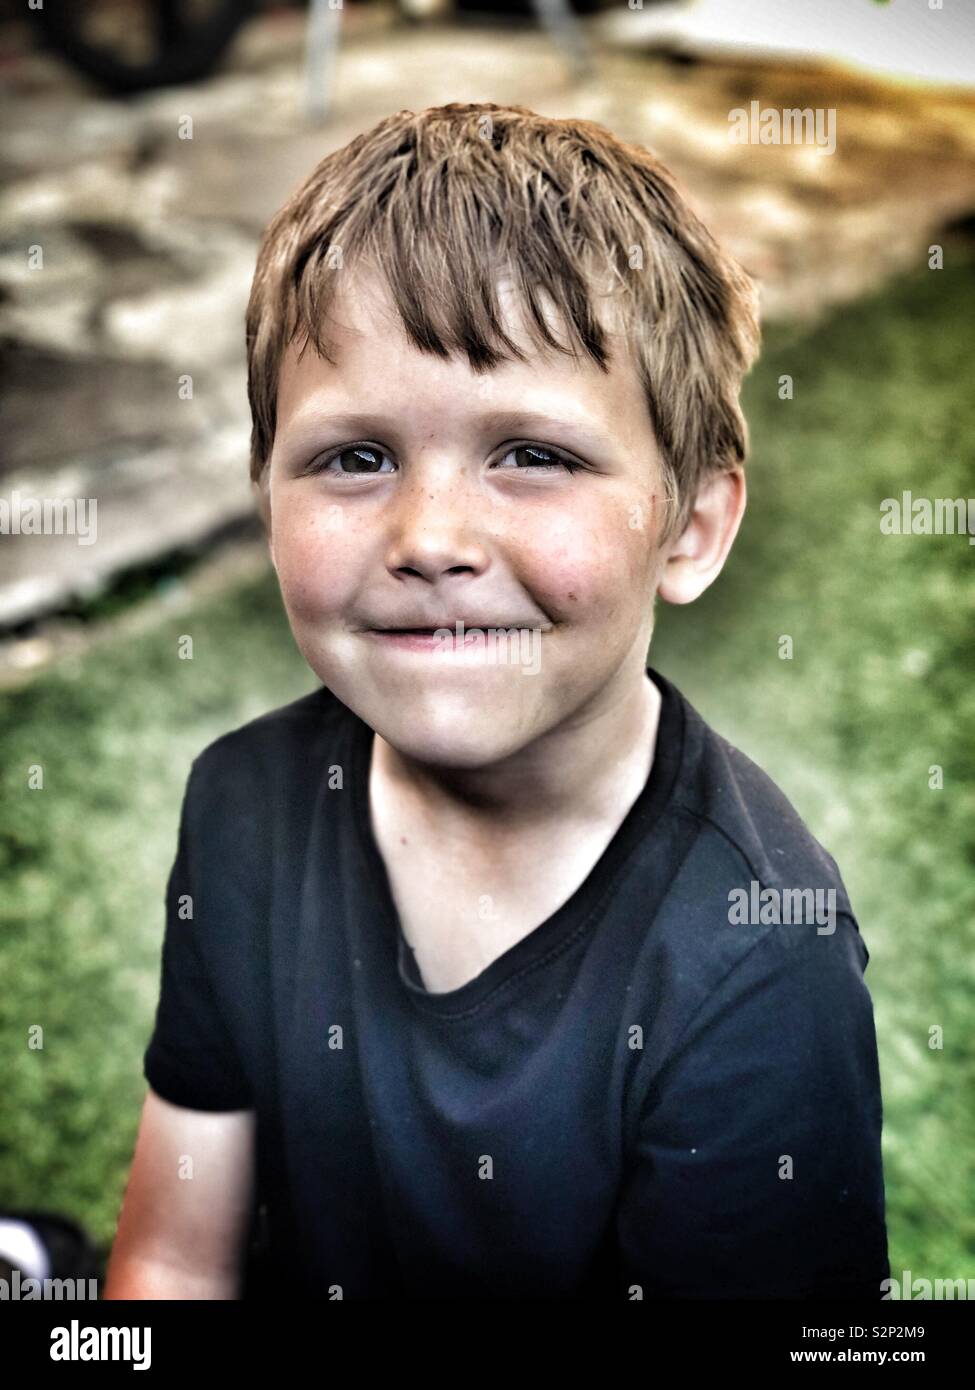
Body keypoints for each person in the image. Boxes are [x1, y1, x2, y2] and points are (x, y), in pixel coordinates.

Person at [104, 102, 889, 1300]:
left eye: (532, 452)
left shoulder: (756, 959)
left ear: (691, 526)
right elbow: (171, 1254)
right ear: (265, 499)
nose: (430, 538)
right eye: (356, 456)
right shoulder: (245, 803)